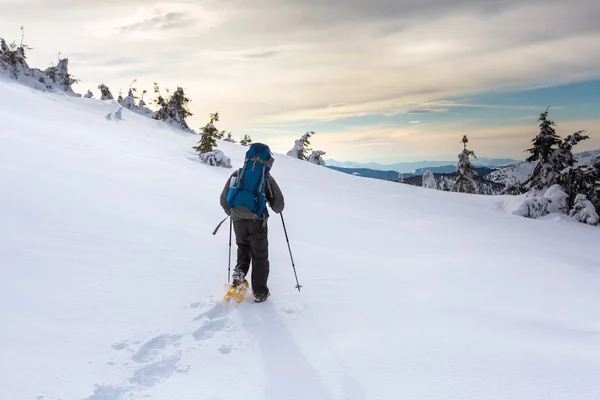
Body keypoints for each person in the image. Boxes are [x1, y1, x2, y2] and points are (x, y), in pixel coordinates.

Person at [220, 143, 285, 302]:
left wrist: (232, 213)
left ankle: (238, 277)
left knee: (243, 248)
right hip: (258, 222)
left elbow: (224, 200)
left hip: (238, 220)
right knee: (260, 256)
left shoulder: (237, 174)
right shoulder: (266, 178)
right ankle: (260, 292)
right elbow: (279, 205)